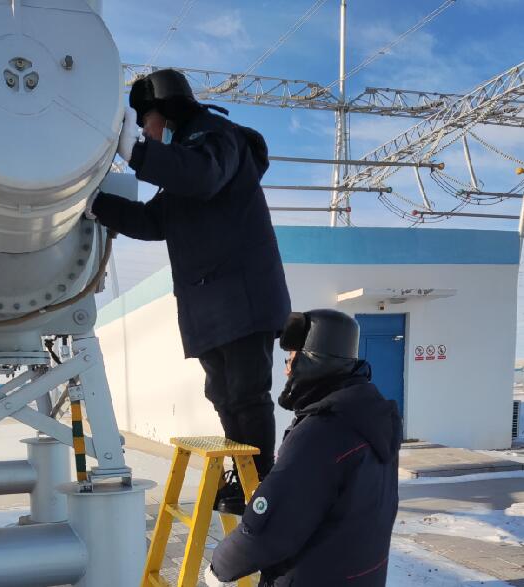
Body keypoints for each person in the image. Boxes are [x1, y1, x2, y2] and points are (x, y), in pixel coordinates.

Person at [87, 69, 291, 514]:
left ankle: (262, 485)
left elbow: (202, 175)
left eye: (145, 123)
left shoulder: (216, 138)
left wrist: (137, 153)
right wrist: (96, 204)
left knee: (246, 394)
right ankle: (244, 477)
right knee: (224, 395)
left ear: (166, 112)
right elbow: (152, 221)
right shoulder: (185, 164)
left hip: (241, 299)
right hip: (211, 305)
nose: (145, 132)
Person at [204, 309, 402, 587]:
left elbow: (269, 529)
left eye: (291, 359)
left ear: (314, 360)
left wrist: (220, 566)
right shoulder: (371, 419)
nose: (286, 369)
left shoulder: (322, 433)